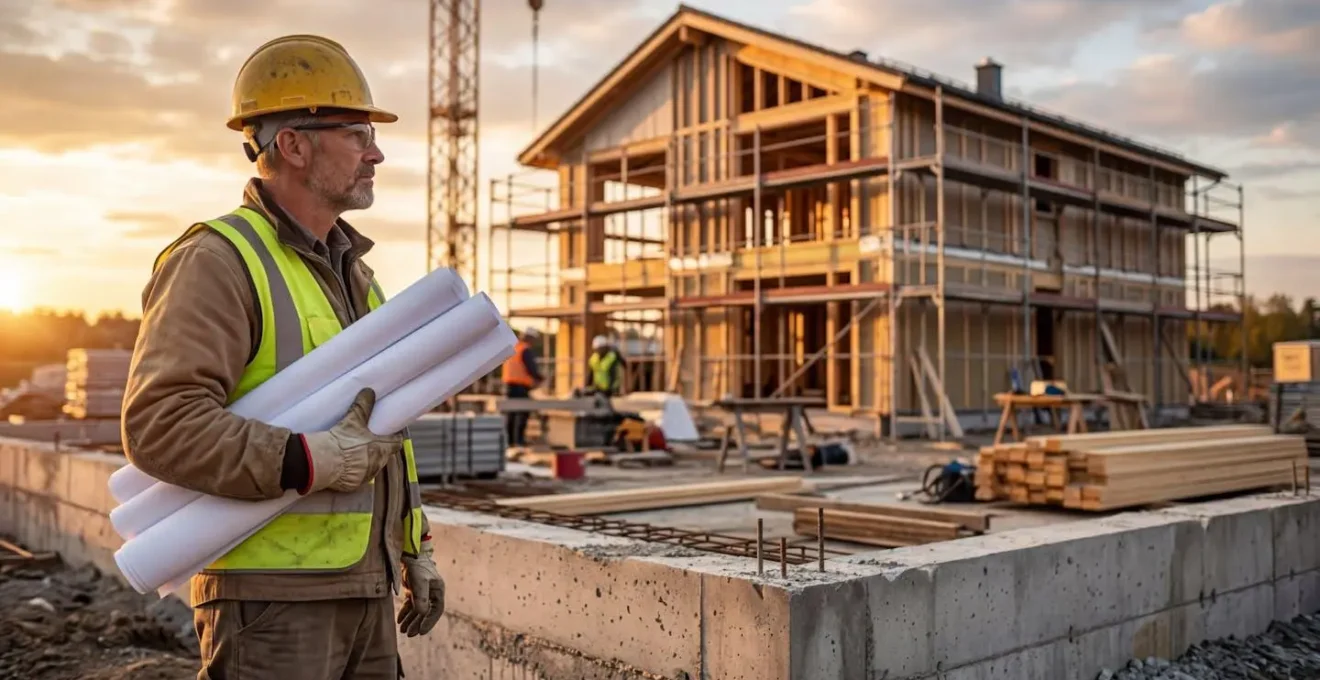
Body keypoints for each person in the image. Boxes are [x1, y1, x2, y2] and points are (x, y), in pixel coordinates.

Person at [120, 34, 443, 680]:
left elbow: (383, 430)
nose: (376, 153)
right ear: (293, 145)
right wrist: (308, 459)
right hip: (272, 608)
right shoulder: (218, 260)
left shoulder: (358, 277)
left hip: (365, 592)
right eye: (356, 135)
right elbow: (160, 422)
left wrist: (415, 547)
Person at [500, 327, 543, 447]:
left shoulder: (513, 347)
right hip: (520, 386)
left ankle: (510, 441)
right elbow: (531, 368)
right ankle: (519, 441)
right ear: (530, 338)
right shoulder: (525, 350)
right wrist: (539, 378)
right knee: (522, 413)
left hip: (508, 386)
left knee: (511, 414)